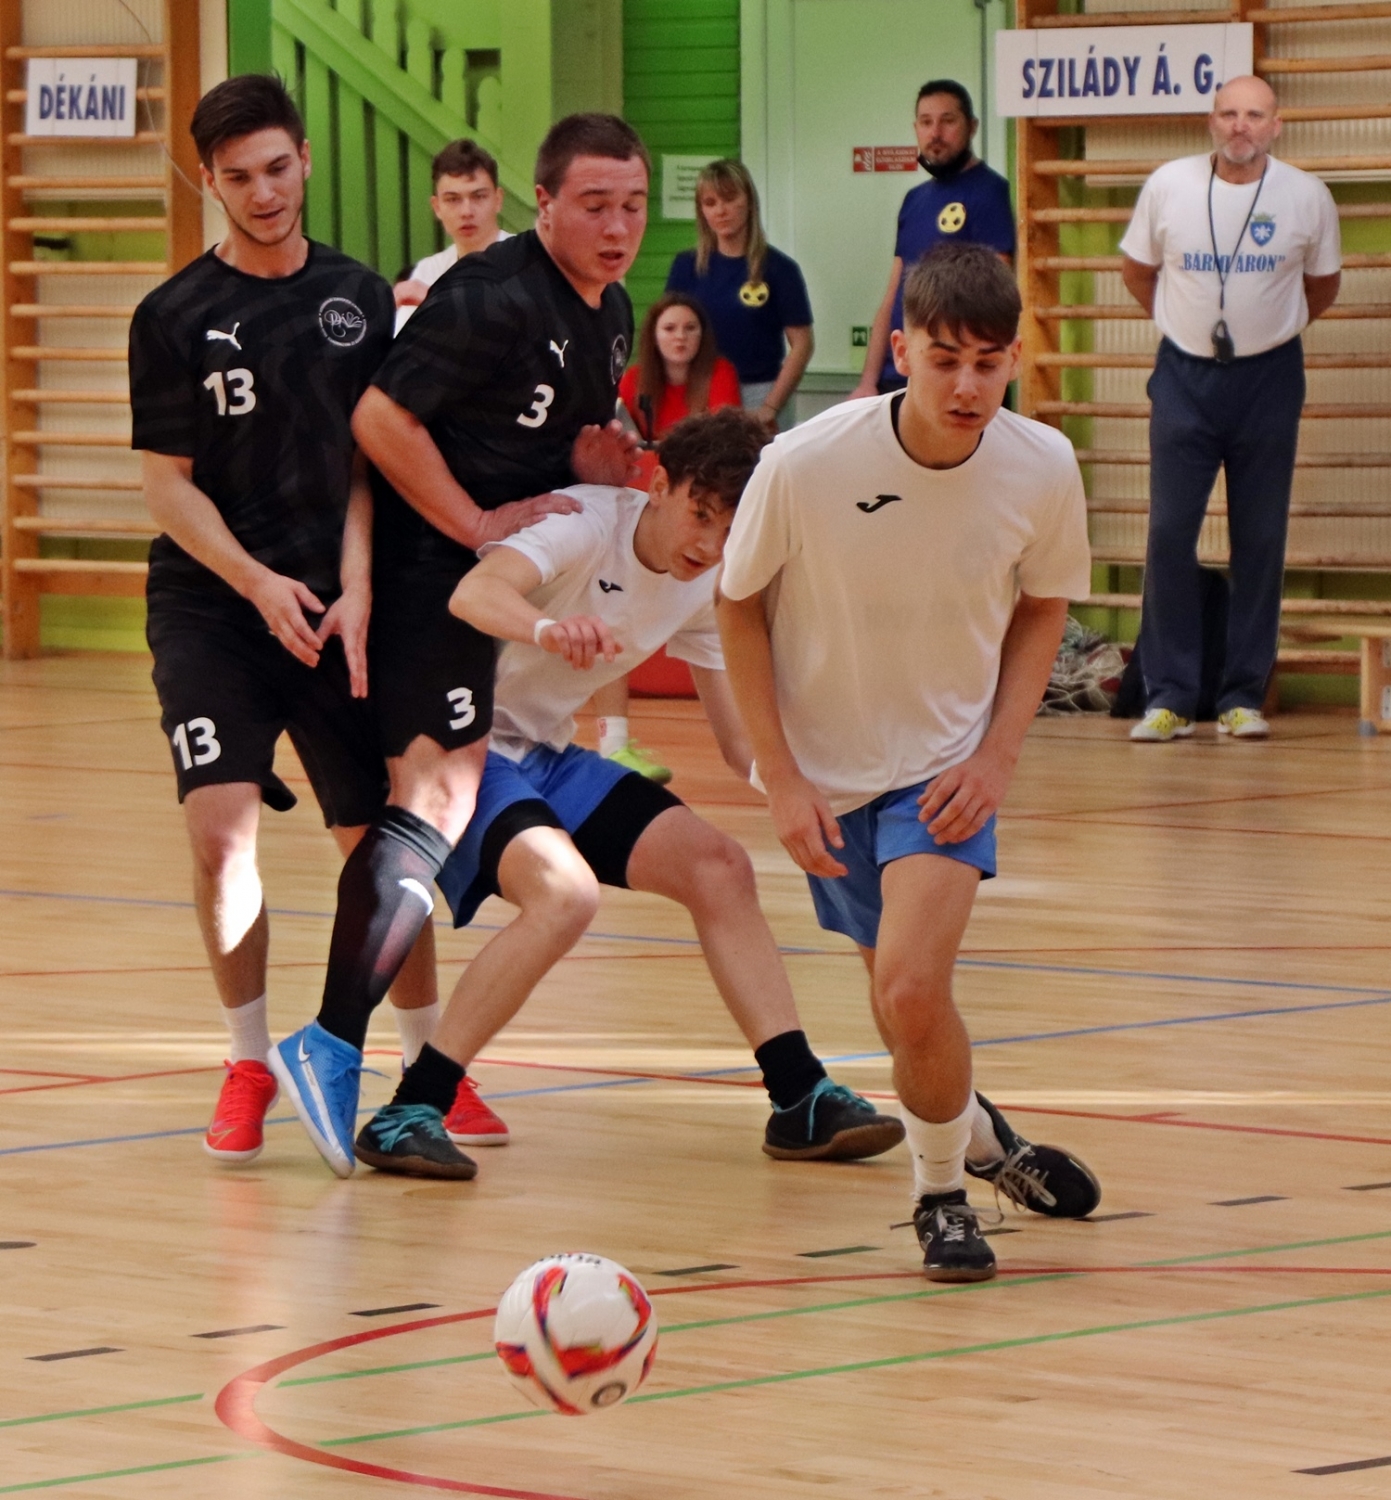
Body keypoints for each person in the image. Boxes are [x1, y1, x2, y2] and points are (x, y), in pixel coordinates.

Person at [350, 409, 904, 1178]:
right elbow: (475, 594)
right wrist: (545, 630)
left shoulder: (709, 583)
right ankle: (411, 1109)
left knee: (720, 868)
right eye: (700, 515)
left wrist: (807, 791)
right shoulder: (583, 523)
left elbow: (738, 740)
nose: (709, 545)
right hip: (457, 746)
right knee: (564, 896)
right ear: (659, 485)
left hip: (543, 754)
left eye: (731, 530)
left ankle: (798, 1098)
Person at [269, 113, 647, 1178]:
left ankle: (387, 1061)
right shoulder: (489, 295)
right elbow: (380, 421)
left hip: (484, 583)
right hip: (423, 576)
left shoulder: (610, 309)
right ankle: (330, 1044)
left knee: (407, 814)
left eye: (631, 205)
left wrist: (596, 466)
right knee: (433, 800)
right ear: (544, 205)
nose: (617, 226)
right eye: (594, 205)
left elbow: (547, 438)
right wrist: (475, 523)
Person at [716, 242, 1102, 1283]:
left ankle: (938, 1199)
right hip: (827, 775)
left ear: (1015, 357)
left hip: (941, 768)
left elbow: (1043, 606)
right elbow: (736, 605)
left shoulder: (1041, 464)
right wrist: (779, 776)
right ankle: (985, 1143)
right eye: (943, 360)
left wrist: (996, 756)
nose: (966, 385)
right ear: (899, 352)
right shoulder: (804, 463)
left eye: (987, 362)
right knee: (902, 1011)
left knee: (914, 989)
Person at [128, 74, 439, 1167]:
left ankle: (425, 1068)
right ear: (207, 181)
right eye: (238, 177)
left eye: (276, 168)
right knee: (221, 836)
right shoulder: (171, 316)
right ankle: (248, 1060)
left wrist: (355, 586)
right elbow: (166, 486)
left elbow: (367, 464)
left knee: (380, 842)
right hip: (213, 606)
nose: (263, 193)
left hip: (334, 604)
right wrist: (257, 583)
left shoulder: (356, 297)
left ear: (304, 159)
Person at [1120, 75, 1341, 743]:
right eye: (1228, 114)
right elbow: (1137, 272)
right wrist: (1184, 329)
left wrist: (1266, 333)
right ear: (1210, 122)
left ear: (1276, 125)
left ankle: (1242, 695)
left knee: (1260, 538)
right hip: (1184, 377)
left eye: (1253, 114)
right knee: (1168, 534)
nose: (1240, 125)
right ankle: (1168, 696)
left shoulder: (1306, 196)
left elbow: (1323, 285)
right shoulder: (1169, 185)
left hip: (1269, 378)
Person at [598, 292, 743, 784]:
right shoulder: (635, 380)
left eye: (689, 328)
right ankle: (613, 742)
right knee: (611, 614)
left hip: (675, 501)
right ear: (653, 336)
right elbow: (622, 437)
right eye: (669, 328)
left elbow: (719, 455)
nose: (679, 337)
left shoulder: (719, 374)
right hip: (638, 503)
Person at [850, 80, 1015, 400]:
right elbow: (892, 296)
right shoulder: (914, 200)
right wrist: (867, 381)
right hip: (899, 372)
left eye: (947, 121)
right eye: (926, 122)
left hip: (952, 379)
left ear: (972, 127)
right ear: (916, 129)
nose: (935, 132)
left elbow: (997, 297)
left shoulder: (991, 192)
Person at [666, 159, 813, 431]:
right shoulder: (686, 266)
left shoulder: (780, 269)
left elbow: (802, 344)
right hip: (700, 393)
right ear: (702, 211)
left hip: (762, 393)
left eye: (729, 198)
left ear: (749, 202)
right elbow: (667, 333)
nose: (720, 210)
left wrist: (770, 407)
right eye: (710, 203)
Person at [393, 138, 509, 332]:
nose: (466, 211)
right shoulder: (428, 271)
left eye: (479, 197)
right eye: (453, 199)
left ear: (498, 200)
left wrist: (435, 301)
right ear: (437, 207)